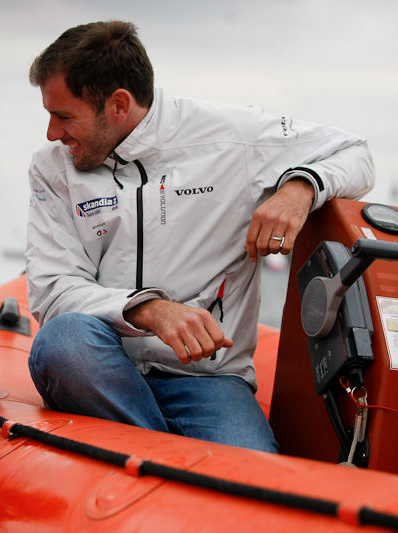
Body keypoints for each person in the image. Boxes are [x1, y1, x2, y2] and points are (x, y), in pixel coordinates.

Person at [24, 21, 374, 453]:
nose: (52, 133)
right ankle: (174, 464)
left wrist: (300, 187)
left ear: (118, 104)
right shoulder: (51, 168)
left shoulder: (232, 136)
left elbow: (356, 153)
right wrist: (151, 311)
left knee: (256, 490)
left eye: (63, 116)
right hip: (103, 368)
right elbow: (52, 292)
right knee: (62, 342)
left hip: (209, 379)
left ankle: (156, 466)